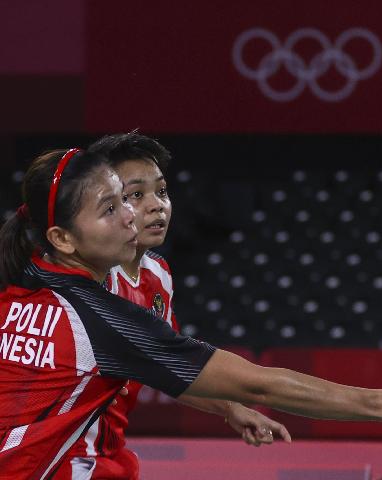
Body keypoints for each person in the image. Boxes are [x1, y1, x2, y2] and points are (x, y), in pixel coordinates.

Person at [0, 148, 382, 479]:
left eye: (128, 200)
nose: (132, 217)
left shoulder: (24, 285)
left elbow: (168, 369)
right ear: (62, 238)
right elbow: (259, 382)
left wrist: (228, 408)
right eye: (112, 208)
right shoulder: (102, 319)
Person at [61, 134, 288, 480]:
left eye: (162, 192)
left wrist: (229, 408)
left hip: (107, 455)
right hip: (59, 457)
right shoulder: (85, 279)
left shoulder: (158, 275)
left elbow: (172, 369)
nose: (157, 206)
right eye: (135, 195)